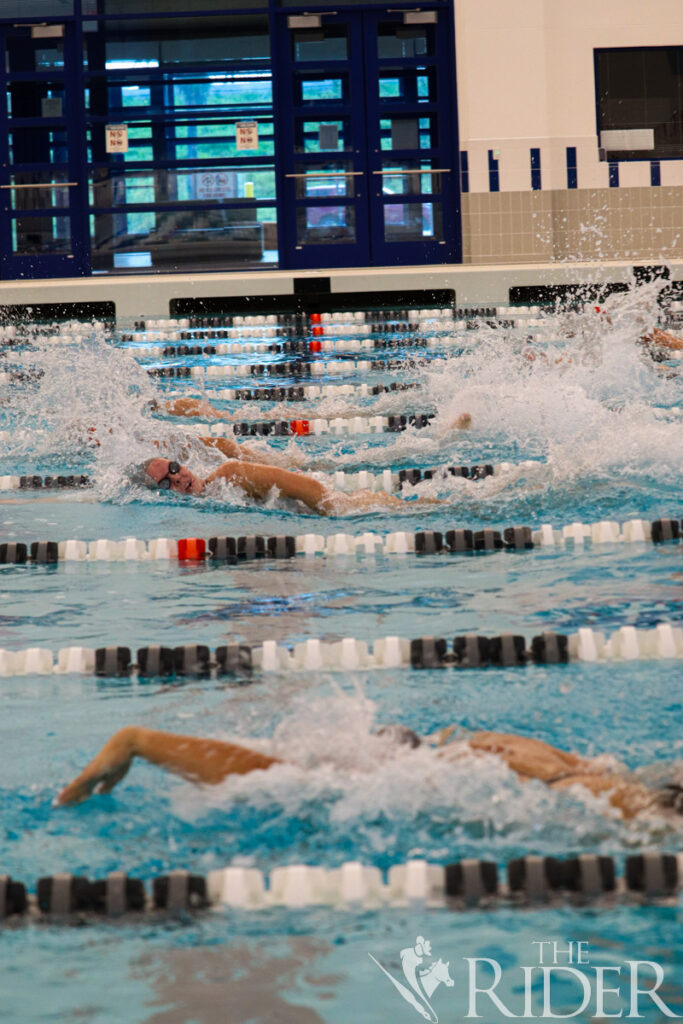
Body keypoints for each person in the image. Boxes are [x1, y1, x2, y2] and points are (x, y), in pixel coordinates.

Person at [56, 723, 682, 822]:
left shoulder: (497, 747)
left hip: (585, 795)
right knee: (299, 778)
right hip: (587, 798)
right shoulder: (562, 771)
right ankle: (137, 741)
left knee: (299, 779)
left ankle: (137, 741)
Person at [137, 454, 438, 514]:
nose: (177, 477)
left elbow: (310, 489)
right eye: (167, 482)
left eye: (174, 468)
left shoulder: (229, 474)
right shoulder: (211, 501)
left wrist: (332, 509)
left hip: (337, 506)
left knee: (420, 510)